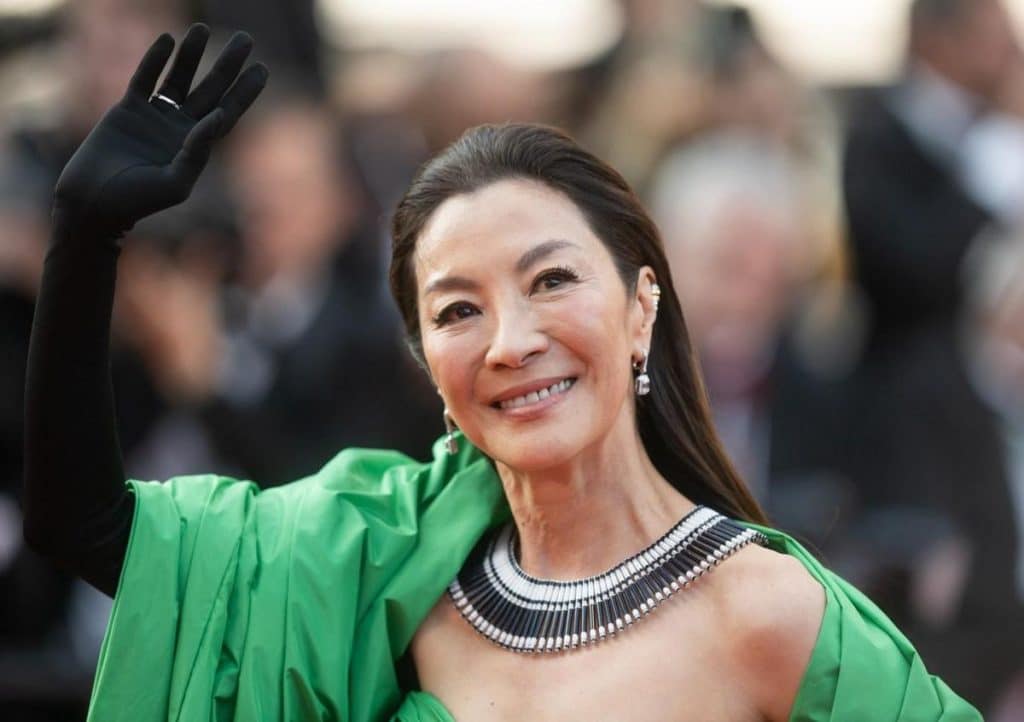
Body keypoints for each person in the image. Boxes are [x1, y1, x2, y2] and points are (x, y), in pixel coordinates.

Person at [23, 26, 980, 721]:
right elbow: (90, 527)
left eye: (551, 280)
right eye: (457, 310)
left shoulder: (765, 614)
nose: (509, 341)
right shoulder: (375, 561)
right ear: (426, 361)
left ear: (642, 305)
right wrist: (86, 239)